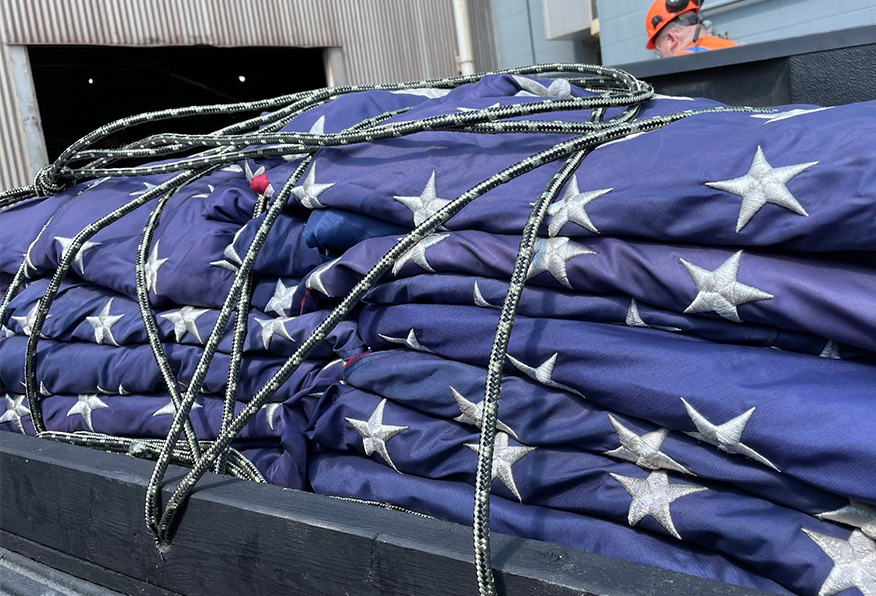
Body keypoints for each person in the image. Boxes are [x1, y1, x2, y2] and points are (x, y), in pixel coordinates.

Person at [645, 0, 741, 58]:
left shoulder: (676, 68)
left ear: (671, 40)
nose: (660, 56)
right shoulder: (739, 47)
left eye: (659, 49)